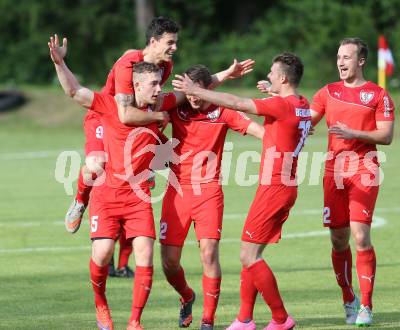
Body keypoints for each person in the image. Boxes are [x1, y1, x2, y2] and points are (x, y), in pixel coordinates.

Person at [118, 63, 263, 330]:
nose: (193, 98)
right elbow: (143, 112)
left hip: (209, 191)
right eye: (189, 92)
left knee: (209, 254)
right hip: (177, 191)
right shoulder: (176, 108)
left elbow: (260, 131)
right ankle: (187, 295)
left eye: (198, 92)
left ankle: (207, 321)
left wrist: (286, 138)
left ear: (209, 90)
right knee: (169, 263)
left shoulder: (223, 112)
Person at [173, 52, 311, 330]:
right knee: (250, 251)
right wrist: (272, 91)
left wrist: (196, 90)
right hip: (285, 185)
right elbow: (287, 113)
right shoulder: (301, 104)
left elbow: (236, 102)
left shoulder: (280, 106)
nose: (269, 76)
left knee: (249, 256)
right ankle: (244, 319)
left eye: (273, 74)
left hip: (274, 187)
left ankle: (281, 319)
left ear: (283, 78)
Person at [49, 34, 173, 330]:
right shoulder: (111, 105)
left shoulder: (160, 110)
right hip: (106, 194)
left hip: (139, 197)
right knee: (103, 254)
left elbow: (191, 102)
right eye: (153, 85)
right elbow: (74, 91)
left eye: (160, 83)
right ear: (137, 86)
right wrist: (59, 62)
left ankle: (134, 322)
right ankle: (101, 305)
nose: (159, 89)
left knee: (145, 253)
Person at [63, 16, 181, 278]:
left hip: (133, 129)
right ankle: (80, 200)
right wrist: (159, 118)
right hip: (105, 117)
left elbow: (151, 102)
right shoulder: (127, 65)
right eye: (170, 43)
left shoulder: (165, 65)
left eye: (175, 43)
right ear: (153, 41)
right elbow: (126, 114)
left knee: (139, 179)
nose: (174, 48)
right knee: (96, 165)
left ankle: (123, 260)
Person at [309, 37, 395, 326]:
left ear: (360, 61)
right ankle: (348, 298)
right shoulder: (328, 92)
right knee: (338, 239)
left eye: (346, 57)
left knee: (360, 236)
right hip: (334, 170)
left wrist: (355, 134)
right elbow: (307, 120)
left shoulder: (378, 94)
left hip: (364, 168)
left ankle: (366, 306)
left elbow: (386, 136)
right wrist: (282, 101)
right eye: (338, 57)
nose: (340, 62)